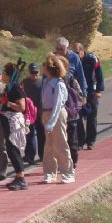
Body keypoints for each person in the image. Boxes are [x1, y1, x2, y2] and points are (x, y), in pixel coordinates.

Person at [41, 54, 74, 184]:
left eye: (45, 66)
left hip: (57, 115)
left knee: (61, 144)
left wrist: (51, 123)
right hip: (47, 113)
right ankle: (49, 173)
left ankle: (68, 173)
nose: (43, 67)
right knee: (49, 146)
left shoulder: (59, 84)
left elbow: (57, 105)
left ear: (51, 68)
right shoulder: (45, 82)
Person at [0, 63, 27, 190]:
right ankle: (19, 176)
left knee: (13, 149)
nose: (2, 75)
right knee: (11, 149)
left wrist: (8, 103)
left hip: (13, 122)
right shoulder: (8, 87)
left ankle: (21, 178)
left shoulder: (16, 87)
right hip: (8, 120)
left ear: (8, 75)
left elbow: (22, 107)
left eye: (4, 72)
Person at [72, 42, 105, 150]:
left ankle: (91, 141)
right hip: (78, 93)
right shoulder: (72, 60)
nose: (75, 55)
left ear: (82, 50)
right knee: (78, 117)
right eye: (73, 53)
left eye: (77, 52)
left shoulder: (92, 59)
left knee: (92, 117)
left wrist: (99, 90)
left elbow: (99, 75)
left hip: (92, 91)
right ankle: (80, 141)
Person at [21, 63, 44, 163]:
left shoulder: (44, 81)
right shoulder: (24, 82)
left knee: (41, 135)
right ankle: (29, 156)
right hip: (29, 113)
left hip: (41, 112)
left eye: (36, 72)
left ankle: (43, 155)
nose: (34, 75)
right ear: (29, 72)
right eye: (32, 72)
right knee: (29, 134)